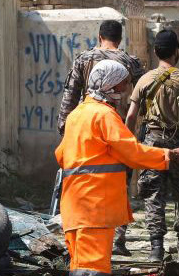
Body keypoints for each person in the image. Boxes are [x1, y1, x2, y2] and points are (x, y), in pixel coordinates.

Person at [56, 59, 179, 276]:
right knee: (92, 273)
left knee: (82, 272)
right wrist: (169, 156)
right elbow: (131, 152)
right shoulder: (104, 116)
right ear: (113, 86)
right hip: (94, 207)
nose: (127, 87)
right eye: (124, 83)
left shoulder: (77, 114)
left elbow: (61, 154)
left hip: (76, 205)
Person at [57, 19, 143, 256]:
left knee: (82, 181)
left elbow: (70, 94)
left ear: (98, 36)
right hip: (117, 128)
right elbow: (141, 96)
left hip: (85, 129)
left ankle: (83, 230)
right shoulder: (130, 62)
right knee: (119, 185)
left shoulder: (84, 59)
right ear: (120, 38)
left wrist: (65, 129)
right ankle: (118, 238)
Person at [125, 29, 179, 261]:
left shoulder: (144, 79)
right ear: (176, 51)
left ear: (155, 51)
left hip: (152, 143)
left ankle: (156, 249)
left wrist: (128, 142)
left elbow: (131, 116)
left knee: (154, 195)